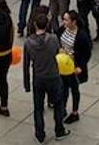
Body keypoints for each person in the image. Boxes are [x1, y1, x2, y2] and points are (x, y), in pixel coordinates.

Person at [23, 9, 68, 142]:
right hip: (53, 76)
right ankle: (59, 130)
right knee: (58, 105)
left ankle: (40, 134)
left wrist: (27, 84)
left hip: (39, 78)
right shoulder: (53, 39)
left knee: (38, 107)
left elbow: (25, 64)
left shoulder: (28, 43)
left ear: (35, 25)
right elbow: (59, 54)